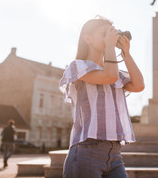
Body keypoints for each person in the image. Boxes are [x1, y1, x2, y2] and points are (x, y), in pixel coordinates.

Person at [59, 17, 144, 178]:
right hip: (86, 151)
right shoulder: (77, 66)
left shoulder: (116, 73)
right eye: (104, 34)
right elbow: (109, 76)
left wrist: (126, 53)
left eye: (112, 33)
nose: (110, 37)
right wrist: (110, 46)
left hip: (114, 154)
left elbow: (139, 85)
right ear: (87, 38)